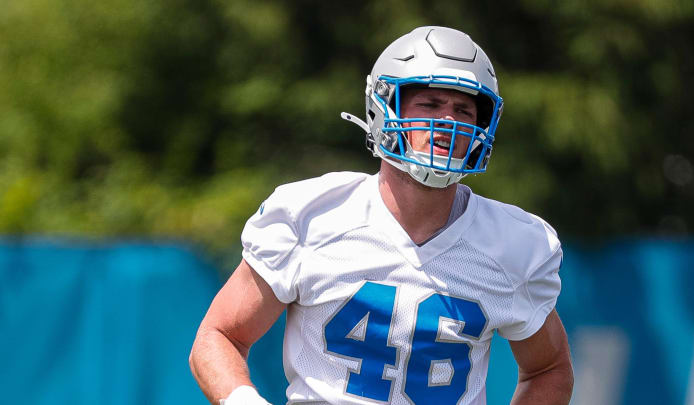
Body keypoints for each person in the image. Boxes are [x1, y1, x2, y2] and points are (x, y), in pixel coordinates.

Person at [189, 26, 573, 405]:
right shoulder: (313, 216)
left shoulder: (513, 244)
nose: (448, 123)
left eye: (463, 110)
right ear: (383, 107)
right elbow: (221, 335)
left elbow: (549, 370)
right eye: (430, 104)